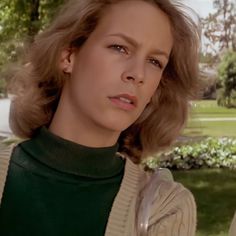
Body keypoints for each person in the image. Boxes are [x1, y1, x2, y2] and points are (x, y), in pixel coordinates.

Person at [0, 0, 201, 235]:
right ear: (68, 56)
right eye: (119, 48)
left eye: (155, 62)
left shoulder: (165, 208)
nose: (137, 74)